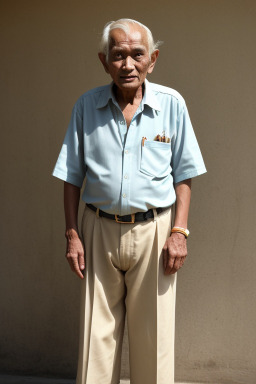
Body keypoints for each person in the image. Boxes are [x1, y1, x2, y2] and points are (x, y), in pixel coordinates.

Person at [53, 18, 206, 384]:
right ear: (104, 61)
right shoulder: (86, 107)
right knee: (95, 339)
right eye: (118, 55)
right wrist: (73, 235)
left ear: (152, 60)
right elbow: (72, 177)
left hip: (156, 232)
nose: (128, 64)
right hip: (98, 230)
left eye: (137, 55)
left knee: (154, 341)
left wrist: (179, 232)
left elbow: (184, 175)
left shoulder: (171, 105)